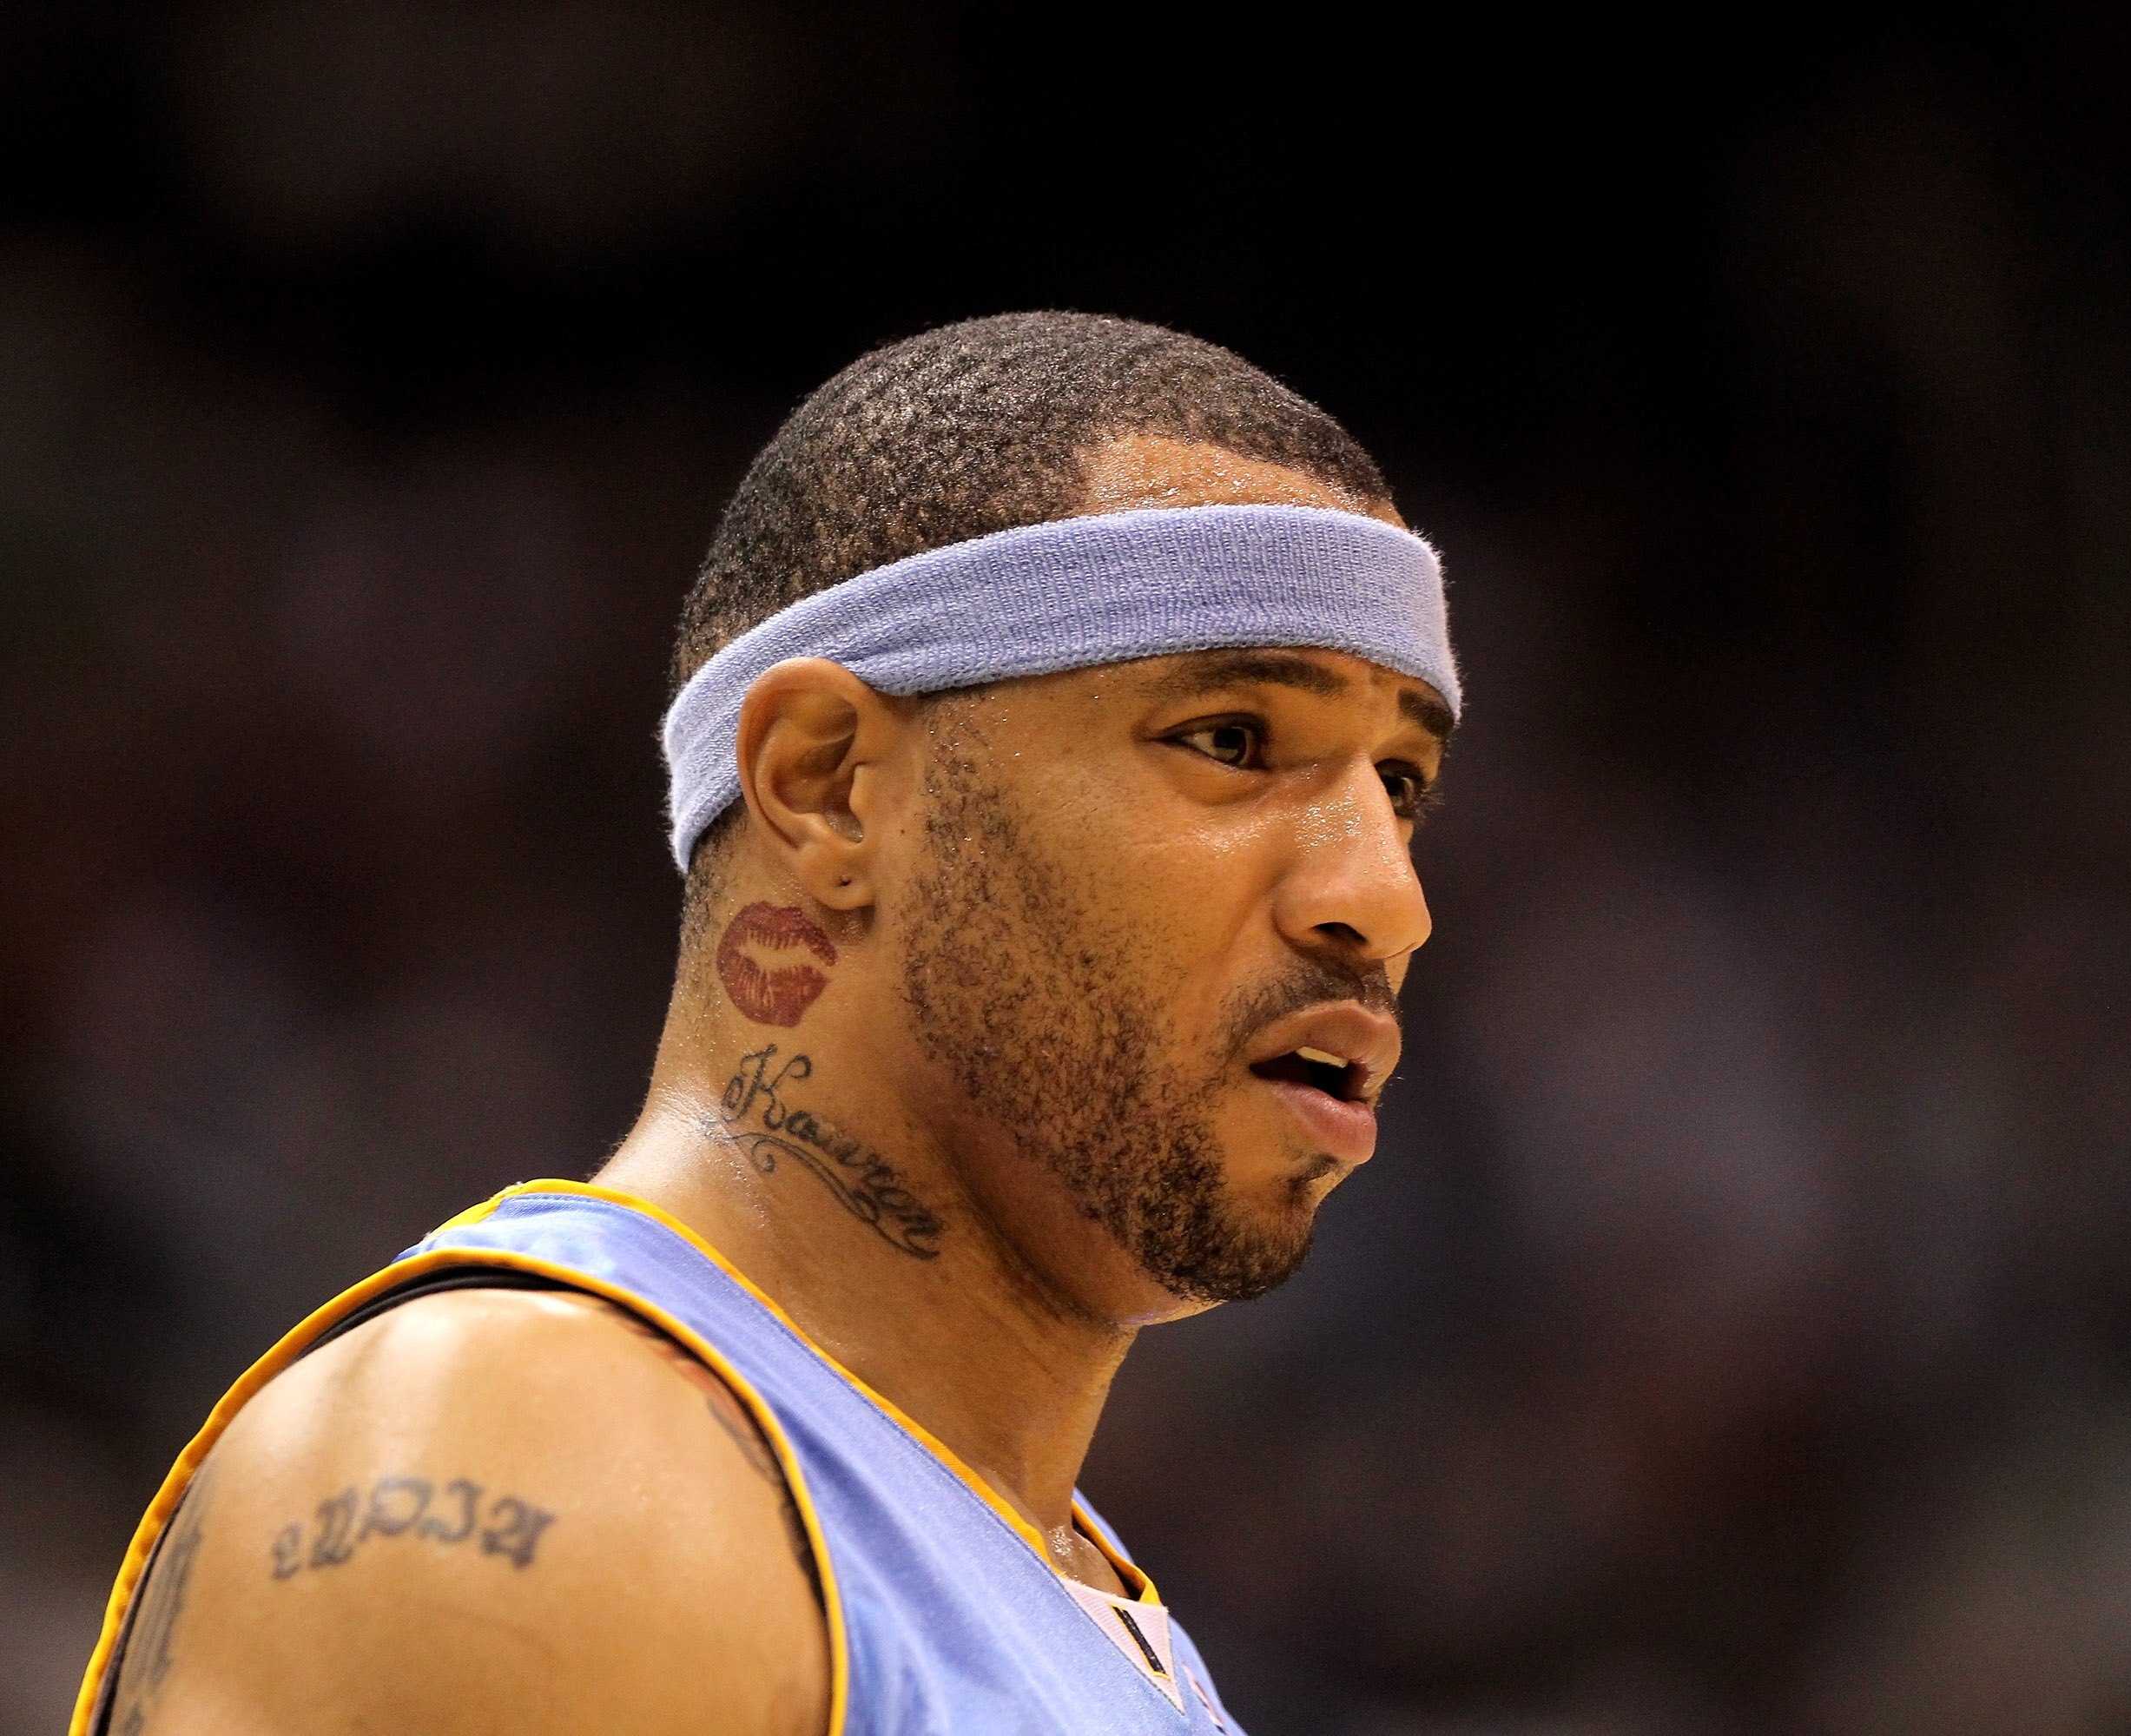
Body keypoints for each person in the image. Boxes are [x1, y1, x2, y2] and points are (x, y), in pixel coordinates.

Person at [71, 312, 1458, 1736]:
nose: (1385, 897)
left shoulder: (1051, 1587)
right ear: (831, 786)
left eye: (1402, 785)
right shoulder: (541, 1467)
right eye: (1231, 740)